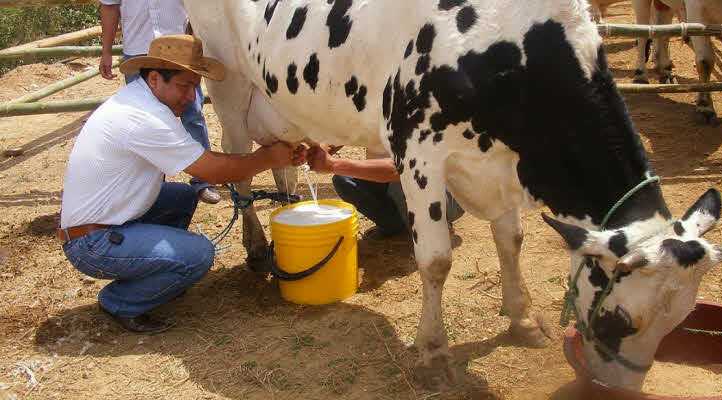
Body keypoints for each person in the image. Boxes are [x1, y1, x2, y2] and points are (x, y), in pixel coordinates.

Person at [59, 35, 306, 334]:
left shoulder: (140, 100)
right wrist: (268, 156)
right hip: (91, 244)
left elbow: (202, 159)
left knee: (182, 197)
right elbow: (212, 170)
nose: (191, 97)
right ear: (154, 78)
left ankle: (160, 270)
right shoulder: (143, 118)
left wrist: (263, 156)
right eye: (184, 86)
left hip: (104, 221)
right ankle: (120, 301)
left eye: (195, 86)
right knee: (200, 255)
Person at [98, 0, 221, 204]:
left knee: (192, 112)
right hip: (139, 48)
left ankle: (204, 179)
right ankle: (152, 186)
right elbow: (109, 7)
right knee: (144, 120)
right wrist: (106, 51)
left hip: (178, 49)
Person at [307, 146, 464, 239]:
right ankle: (393, 225)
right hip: (391, 178)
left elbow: (398, 169)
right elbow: (338, 136)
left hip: (445, 194)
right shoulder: (370, 105)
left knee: (402, 181)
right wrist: (312, 151)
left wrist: (333, 164)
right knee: (344, 180)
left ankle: (434, 225)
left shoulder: (412, 107)